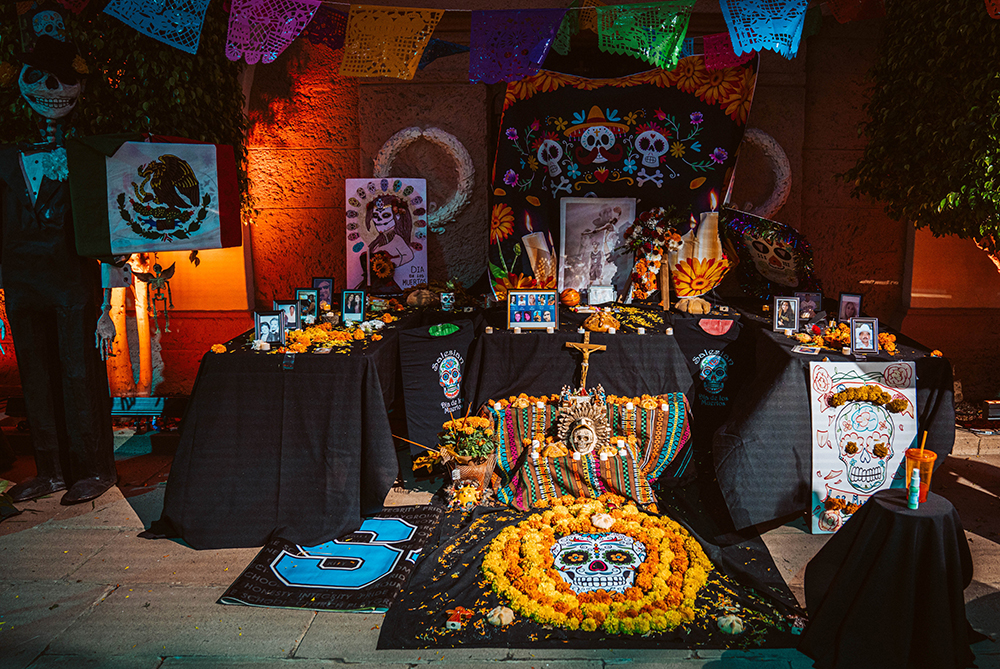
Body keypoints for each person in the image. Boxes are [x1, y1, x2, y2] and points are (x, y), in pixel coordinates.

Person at [2, 37, 117, 506]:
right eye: (40, 77)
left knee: (78, 373)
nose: (53, 89)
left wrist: (107, 304)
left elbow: (110, 234)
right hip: (22, 282)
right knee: (35, 375)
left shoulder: (87, 156)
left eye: (65, 79)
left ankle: (92, 468)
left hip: (72, 283)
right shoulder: (6, 156)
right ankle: (50, 469)